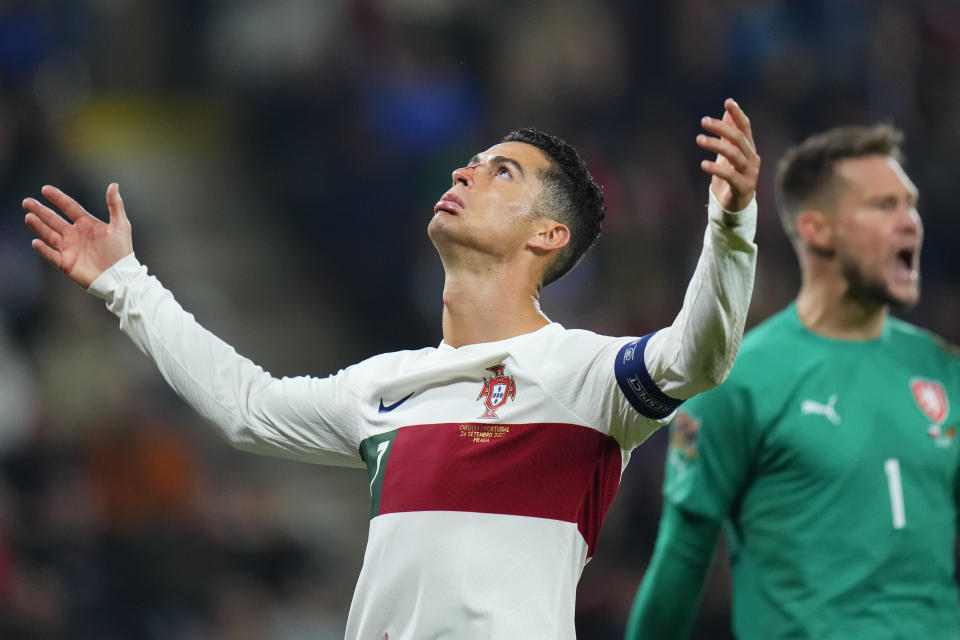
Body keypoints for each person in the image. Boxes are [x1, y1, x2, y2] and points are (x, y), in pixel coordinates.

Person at [24, 99, 759, 640]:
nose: (465, 173)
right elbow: (245, 406)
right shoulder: (383, 387)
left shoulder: (587, 375)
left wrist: (730, 225)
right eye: (471, 163)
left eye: (500, 172)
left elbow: (700, 353)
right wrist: (126, 282)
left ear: (549, 235)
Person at [625, 124, 960, 639]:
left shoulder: (943, 371)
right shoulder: (738, 382)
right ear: (817, 230)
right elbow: (680, 565)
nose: (910, 222)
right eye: (883, 206)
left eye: (909, 204)